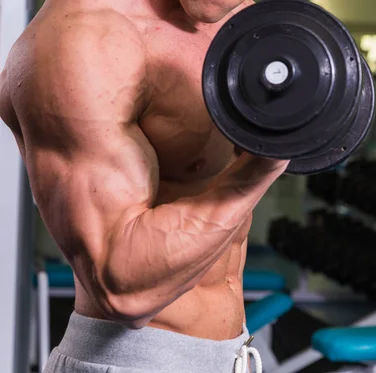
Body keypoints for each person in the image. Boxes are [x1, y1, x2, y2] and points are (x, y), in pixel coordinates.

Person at [0, 0, 289, 372]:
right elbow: (121, 289)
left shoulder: (235, 22)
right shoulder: (81, 38)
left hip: (231, 355)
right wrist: (265, 163)